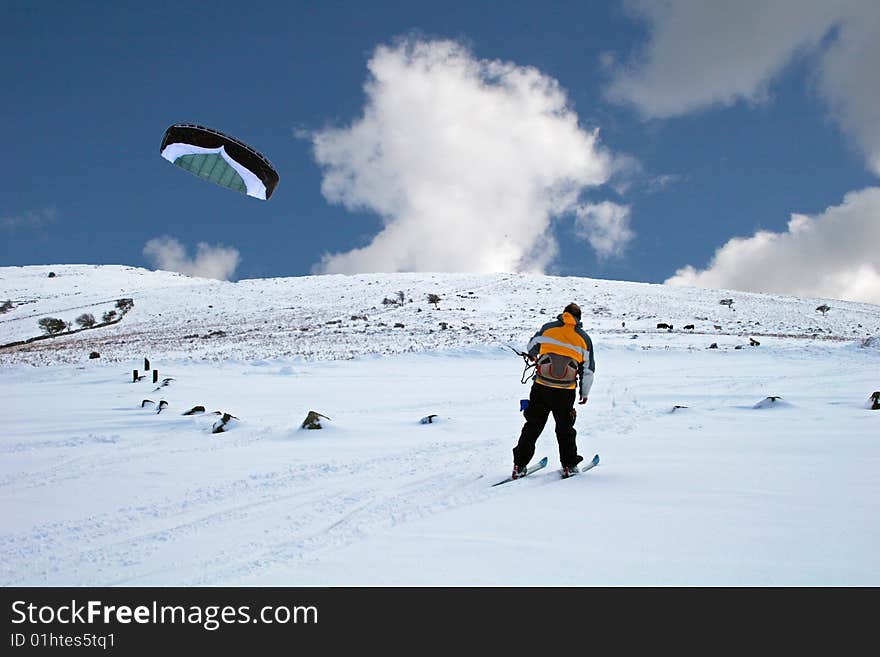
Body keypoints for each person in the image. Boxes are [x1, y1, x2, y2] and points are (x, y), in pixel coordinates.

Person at [512, 302, 595, 478]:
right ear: (579, 318)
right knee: (565, 428)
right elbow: (587, 370)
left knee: (532, 425)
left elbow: (531, 346)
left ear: (563, 314)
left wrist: (535, 354)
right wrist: (584, 393)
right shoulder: (584, 339)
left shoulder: (548, 329)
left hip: (541, 386)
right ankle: (569, 465)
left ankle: (519, 465)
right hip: (565, 391)